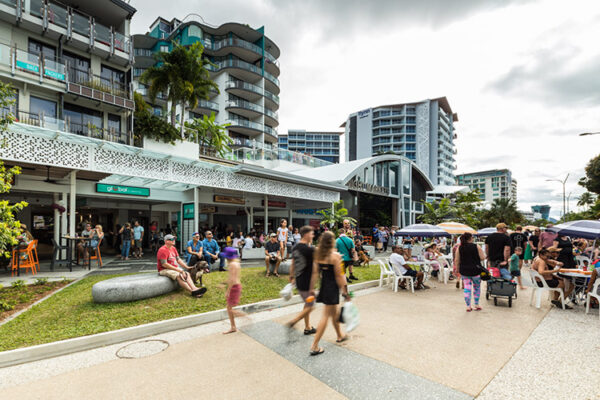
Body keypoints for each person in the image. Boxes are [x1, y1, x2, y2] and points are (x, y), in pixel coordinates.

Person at [309, 231, 350, 356]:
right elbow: (340, 276)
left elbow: (315, 273)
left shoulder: (318, 254)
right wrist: (345, 292)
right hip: (332, 288)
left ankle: (339, 335)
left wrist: (311, 287)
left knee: (334, 312)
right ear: (332, 241)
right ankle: (314, 345)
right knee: (326, 315)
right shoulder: (336, 256)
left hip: (324, 285)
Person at [287, 226, 317, 335]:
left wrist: (291, 277)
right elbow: (315, 269)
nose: (313, 235)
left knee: (307, 304)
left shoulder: (296, 247)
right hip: (307, 282)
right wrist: (312, 287)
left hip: (299, 280)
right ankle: (293, 321)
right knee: (310, 305)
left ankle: (308, 327)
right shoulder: (309, 250)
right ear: (306, 234)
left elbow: (293, 263)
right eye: (312, 234)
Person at [454, 232, 486, 311]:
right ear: (470, 238)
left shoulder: (460, 247)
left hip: (464, 270)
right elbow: (482, 258)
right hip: (476, 270)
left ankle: (468, 306)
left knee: (467, 288)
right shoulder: (476, 246)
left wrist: (457, 269)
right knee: (477, 287)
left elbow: (457, 260)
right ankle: (476, 304)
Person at [222, 247, 244, 334]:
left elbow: (231, 279)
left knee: (229, 308)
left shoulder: (231, 265)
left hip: (234, 287)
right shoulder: (236, 263)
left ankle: (244, 316)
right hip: (237, 285)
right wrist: (223, 283)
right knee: (229, 307)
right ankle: (233, 326)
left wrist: (227, 291)